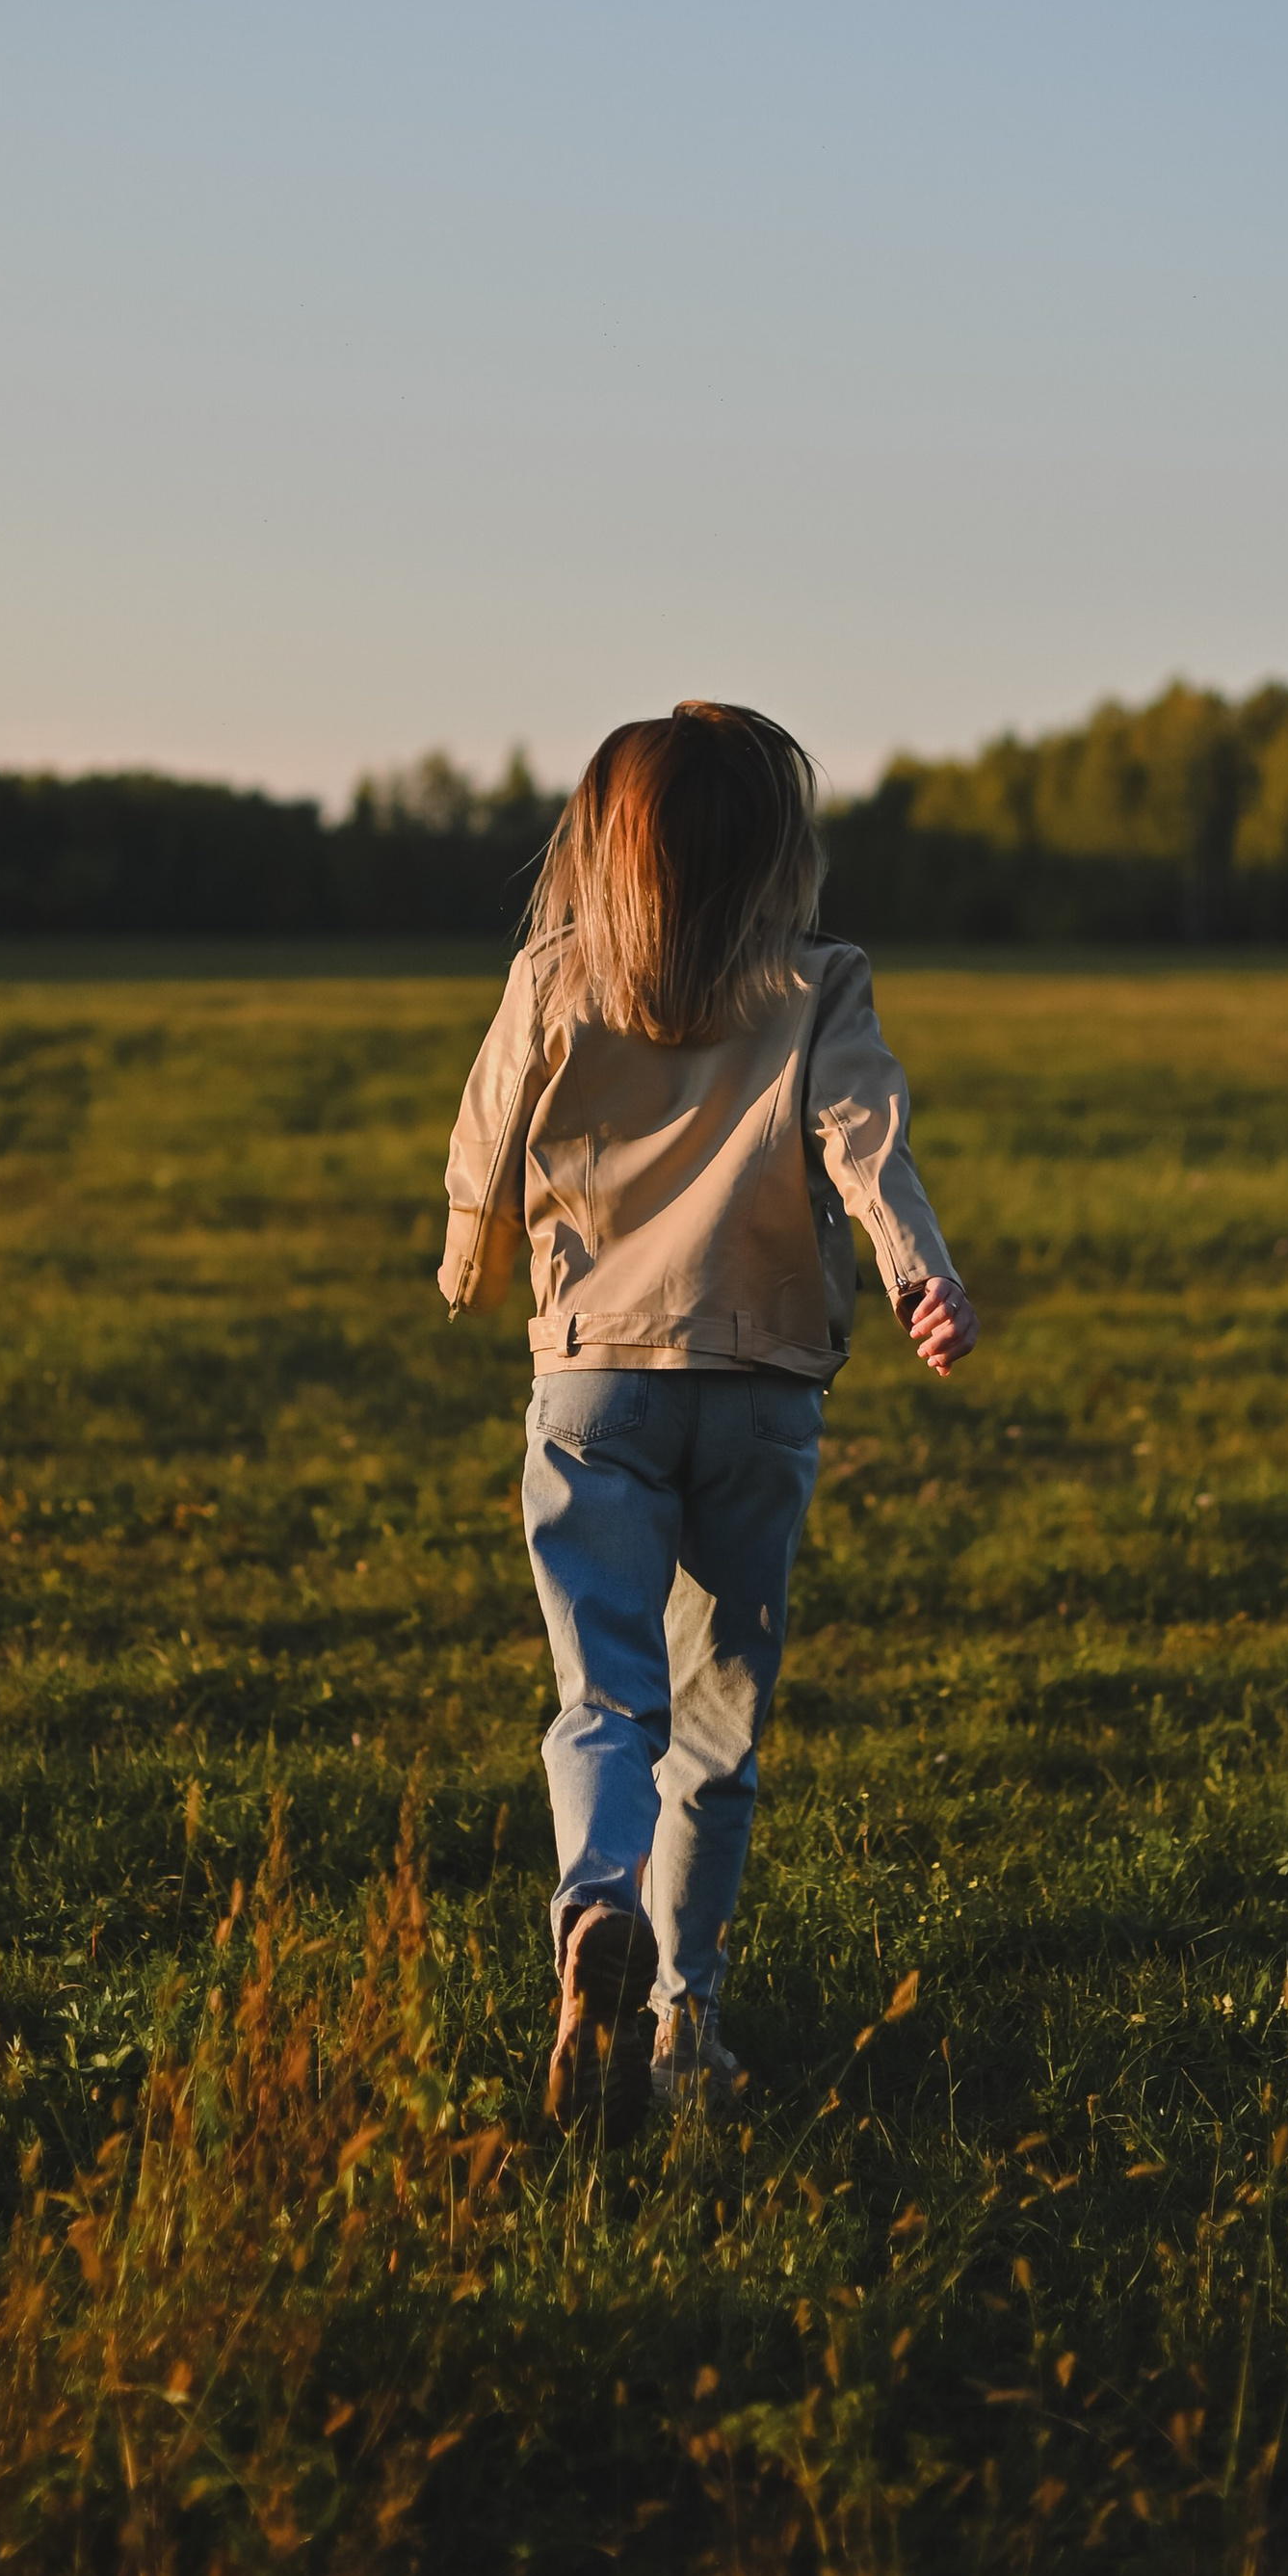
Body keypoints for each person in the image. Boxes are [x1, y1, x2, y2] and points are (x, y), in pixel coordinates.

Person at [438, 701, 978, 2142]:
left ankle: (594, 1910)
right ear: (779, 852)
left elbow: (484, 1135)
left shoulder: (555, 971)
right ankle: (686, 2024)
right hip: (758, 1394)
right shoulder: (821, 983)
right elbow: (865, 1144)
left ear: (603, 847)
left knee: (603, 1701)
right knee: (719, 1732)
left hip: (593, 1383)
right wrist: (923, 1276)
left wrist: (467, 1260)